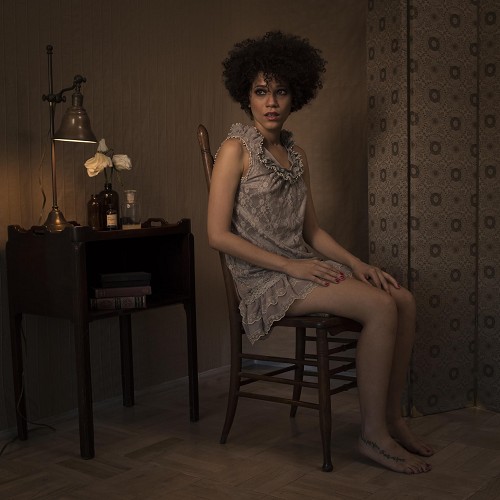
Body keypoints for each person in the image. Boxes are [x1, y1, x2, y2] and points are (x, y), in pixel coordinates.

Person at [207, 31, 433, 474]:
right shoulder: (235, 149)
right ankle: (373, 436)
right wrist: (290, 265)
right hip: (265, 279)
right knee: (381, 307)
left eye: (281, 92)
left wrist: (357, 264)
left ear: (296, 96)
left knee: (403, 299)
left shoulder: (296, 155)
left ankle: (392, 420)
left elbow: (312, 231)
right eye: (261, 92)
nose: (271, 102)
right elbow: (217, 235)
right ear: (246, 96)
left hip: (301, 268)